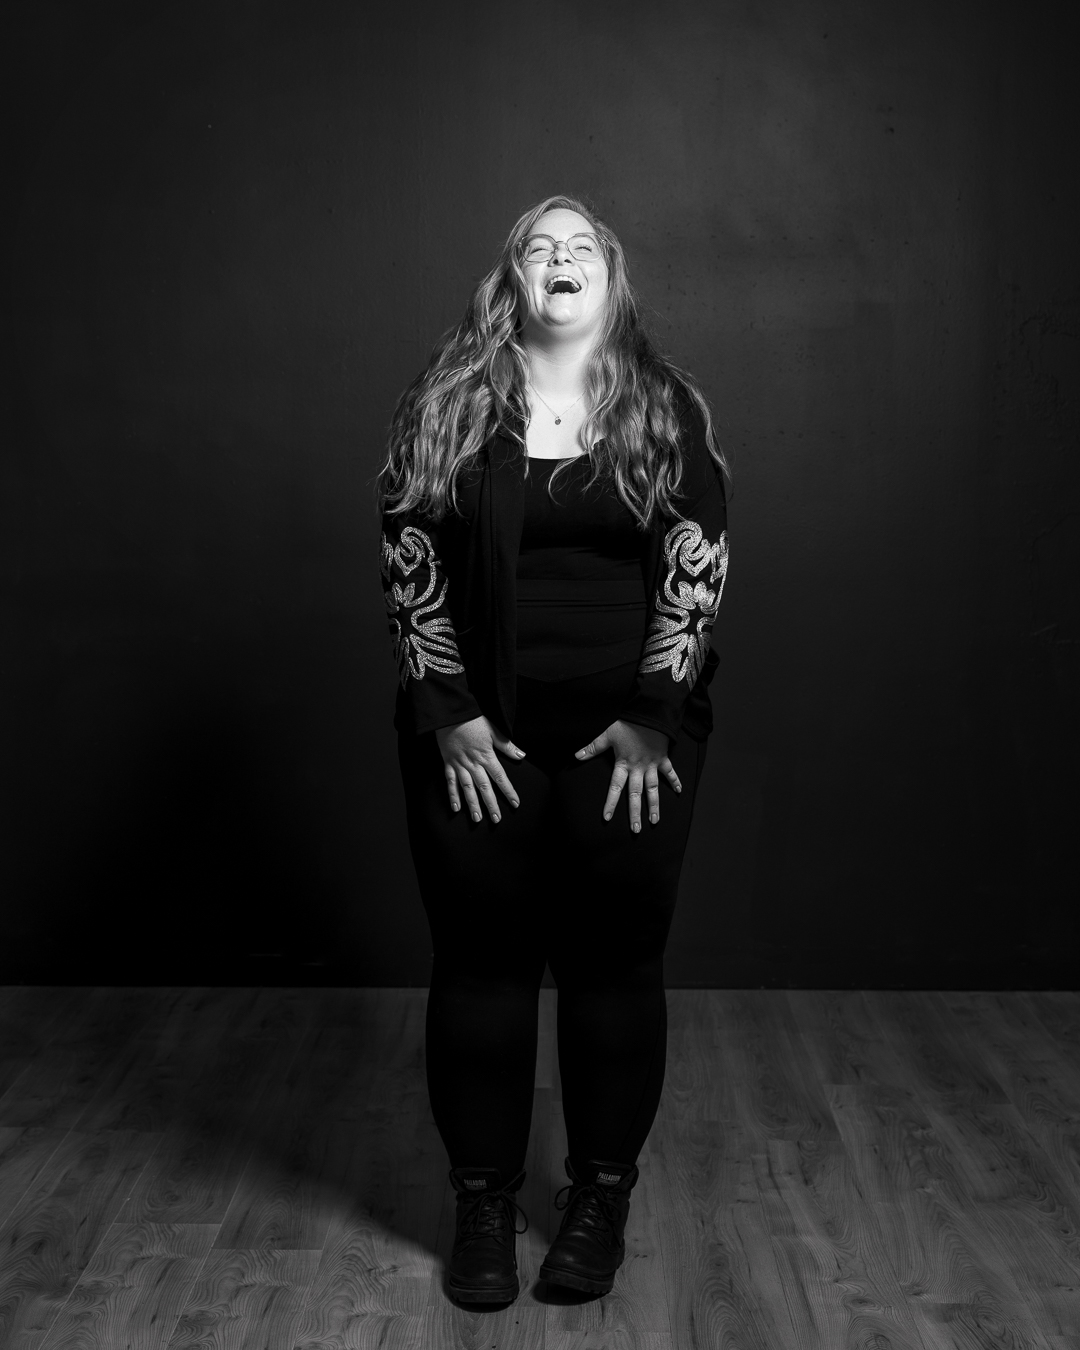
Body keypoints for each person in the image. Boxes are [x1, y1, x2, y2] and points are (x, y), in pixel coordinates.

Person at [378, 194, 729, 1304]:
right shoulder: (449, 403)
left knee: (614, 963)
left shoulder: (663, 406)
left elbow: (699, 557)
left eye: (582, 248)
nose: (560, 259)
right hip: (477, 738)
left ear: (611, 281)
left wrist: (654, 715)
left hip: (634, 745)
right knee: (481, 962)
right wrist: (450, 712)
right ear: (513, 281)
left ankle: (598, 1198)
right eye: (540, 247)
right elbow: (407, 552)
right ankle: (482, 1202)